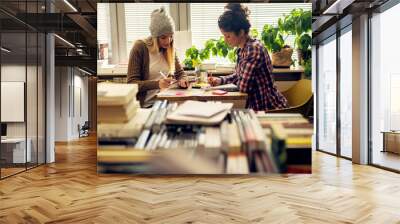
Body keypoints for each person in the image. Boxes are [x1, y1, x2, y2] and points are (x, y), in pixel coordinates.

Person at [208, 3, 288, 111]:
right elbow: (239, 75)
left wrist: (238, 79)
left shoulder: (253, 50)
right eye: (224, 36)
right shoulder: (242, 49)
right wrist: (220, 80)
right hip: (256, 107)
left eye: (228, 36)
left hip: (268, 109)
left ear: (241, 32)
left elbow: (243, 87)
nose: (225, 40)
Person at [127, 7, 188, 107]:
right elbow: (131, 84)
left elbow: (180, 73)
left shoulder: (169, 48)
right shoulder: (140, 48)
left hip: (165, 102)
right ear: (155, 36)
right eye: (163, 37)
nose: (168, 41)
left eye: (171, 36)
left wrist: (183, 80)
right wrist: (157, 84)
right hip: (146, 105)